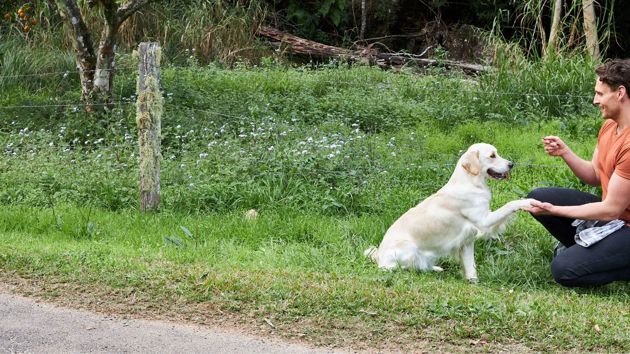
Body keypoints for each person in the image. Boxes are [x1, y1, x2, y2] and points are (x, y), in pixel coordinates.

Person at [526, 58, 630, 288]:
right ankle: (594, 252)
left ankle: (610, 261)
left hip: (623, 222)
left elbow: (610, 208)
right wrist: (566, 153)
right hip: (615, 219)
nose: (595, 101)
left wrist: (556, 211)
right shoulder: (609, 127)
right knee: (538, 196)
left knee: (564, 270)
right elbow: (594, 175)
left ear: (620, 93)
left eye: (600, 94)